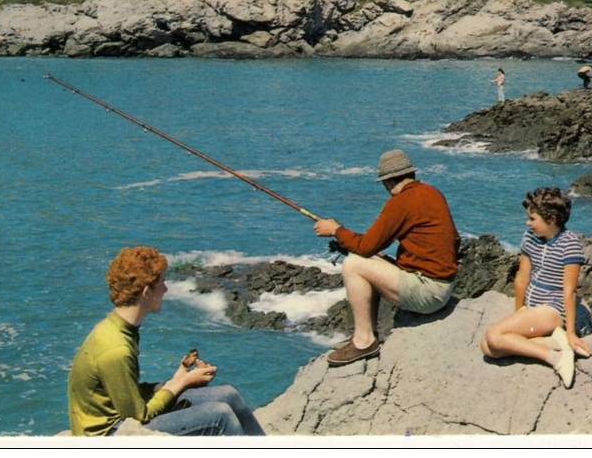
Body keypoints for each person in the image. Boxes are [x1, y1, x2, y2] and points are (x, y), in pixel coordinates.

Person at [68, 245, 266, 436]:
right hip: (109, 433)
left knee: (228, 394)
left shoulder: (121, 328)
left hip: (126, 414)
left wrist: (178, 380)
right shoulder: (116, 348)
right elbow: (138, 416)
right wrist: (182, 382)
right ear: (146, 293)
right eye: (161, 282)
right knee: (220, 415)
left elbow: (128, 391)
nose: (165, 289)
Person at [314, 149, 459, 366]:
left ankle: (364, 341)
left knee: (353, 264)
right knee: (369, 260)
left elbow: (365, 246)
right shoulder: (431, 193)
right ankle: (367, 333)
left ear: (388, 182)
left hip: (429, 293)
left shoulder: (401, 201)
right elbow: (454, 241)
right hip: (442, 286)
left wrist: (335, 230)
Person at [480, 187, 592, 388]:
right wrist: (519, 311)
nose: (527, 223)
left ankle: (555, 358)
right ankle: (554, 344)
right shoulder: (530, 238)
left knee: (493, 336)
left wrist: (572, 332)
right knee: (487, 348)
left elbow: (569, 291)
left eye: (532, 219)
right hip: (533, 308)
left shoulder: (570, 245)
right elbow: (522, 278)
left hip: (553, 309)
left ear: (550, 219)